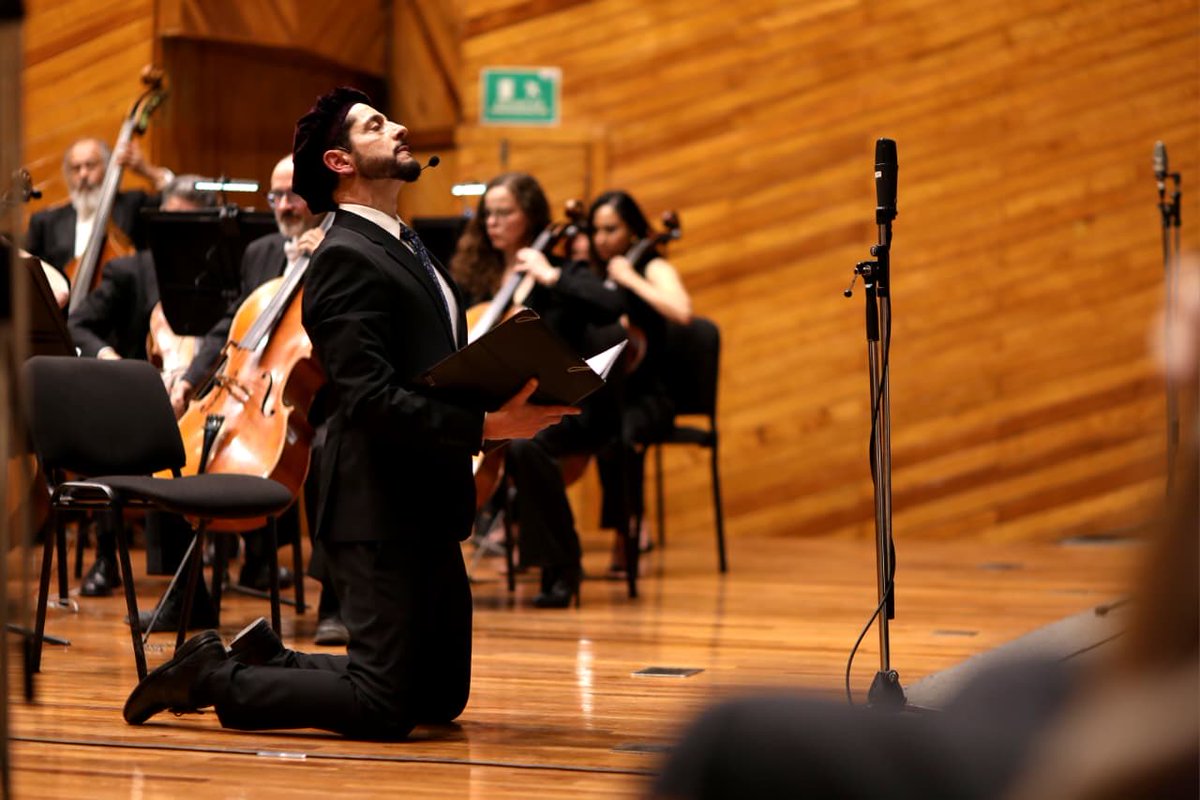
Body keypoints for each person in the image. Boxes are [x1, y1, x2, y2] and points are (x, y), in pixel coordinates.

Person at [122, 86, 576, 738]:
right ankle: (212, 679)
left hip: (429, 499)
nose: (397, 128)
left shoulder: (407, 246)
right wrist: (486, 427)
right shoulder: (340, 258)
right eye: (374, 124)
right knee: (382, 708)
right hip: (377, 505)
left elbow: (428, 371)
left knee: (439, 698)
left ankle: (268, 657)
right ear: (339, 161)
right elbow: (367, 399)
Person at [171, 153, 344, 645]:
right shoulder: (262, 252)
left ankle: (336, 601)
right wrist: (188, 379)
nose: (284, 205)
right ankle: (189, 596)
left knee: (332, 452)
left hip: (326, 395)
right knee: (174, 444)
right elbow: (233, 326)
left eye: (294, 194)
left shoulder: (344, 249)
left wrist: (325, 262)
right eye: (276, 196)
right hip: (252, 387)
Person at [450, 173, 627, 607]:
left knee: (530, 447)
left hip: (564, 405)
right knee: (445, 432)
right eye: (488, 213)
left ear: (530, 216)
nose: (493, 221)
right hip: (501, 405)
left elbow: (612, 305)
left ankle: (560, 567)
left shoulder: (563, 272)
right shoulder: (478, 277)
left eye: (504, 212)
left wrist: (550, 276)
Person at [65, 175, 217, 600]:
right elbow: (79, 324)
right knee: (107, 431)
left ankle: (255, 564)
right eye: (169, 223)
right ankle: (106, 559)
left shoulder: (223, 273)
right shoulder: (129, 270)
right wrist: (109, 359)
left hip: (208, 392)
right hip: (142, 395)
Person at [587, 190, 691, 572]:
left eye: (611, 229)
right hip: (609, 394)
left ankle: (626, 530)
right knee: (597, 423)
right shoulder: (594, 273)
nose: (601, 239)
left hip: (650, 396)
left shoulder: (651, 265)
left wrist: (631, 278)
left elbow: (682, 312)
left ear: (632, 230)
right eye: (596, 230)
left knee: (621, 431)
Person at [24, 137, 173, 273]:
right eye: (76, 168)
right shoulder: (45, 222)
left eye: (90, 165)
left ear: (108, 167)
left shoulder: (133, 204)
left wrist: (149, 171)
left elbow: (177, 203)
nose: (83, 174)